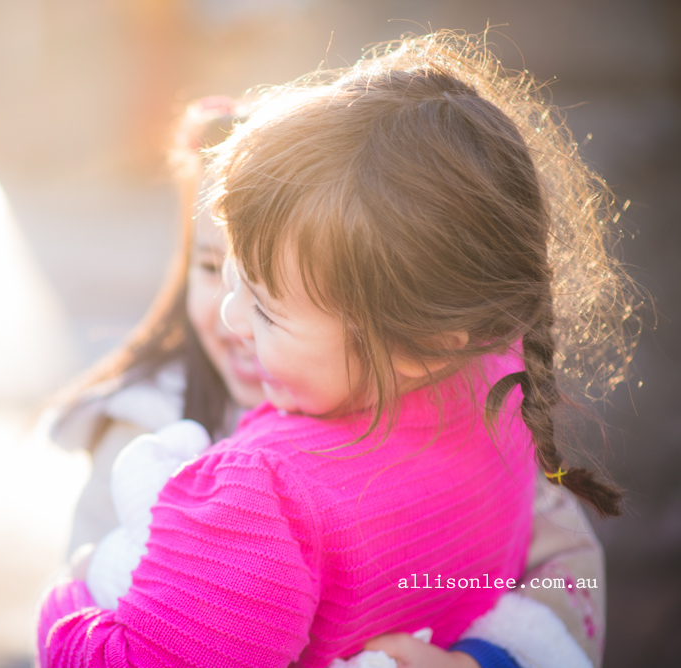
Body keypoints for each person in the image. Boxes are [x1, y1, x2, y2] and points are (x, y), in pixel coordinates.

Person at [43, 32, 634, 668]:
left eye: (267, 303)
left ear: (433, 337)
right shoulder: (138, 425)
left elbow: (560, 560)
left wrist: (489, 659)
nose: (230, 315)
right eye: (217, 268)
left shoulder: (483, 407)